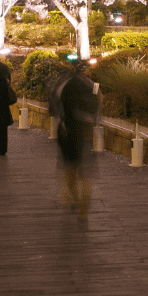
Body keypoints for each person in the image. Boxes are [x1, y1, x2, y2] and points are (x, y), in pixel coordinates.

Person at [51, 61, 100, 219]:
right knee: (84, 173)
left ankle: (74, 198)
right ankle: (84, 210)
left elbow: (53, 109)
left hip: (67, 131)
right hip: (85, 132)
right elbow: (98, 106)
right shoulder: (92, 86)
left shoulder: (63, 85)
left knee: (70, 169)